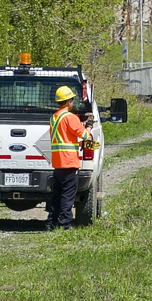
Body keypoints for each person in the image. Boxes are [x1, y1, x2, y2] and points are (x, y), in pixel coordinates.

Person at [45, 85, 90, 231]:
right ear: (68, 101)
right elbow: (84, 135)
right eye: (71, 100)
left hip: (58, 163)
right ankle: (65, 224)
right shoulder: (71, 117)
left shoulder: (54, 117)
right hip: (69, 162)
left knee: (57, 195)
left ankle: (51, 223)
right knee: (68, 195)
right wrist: (88, 126)